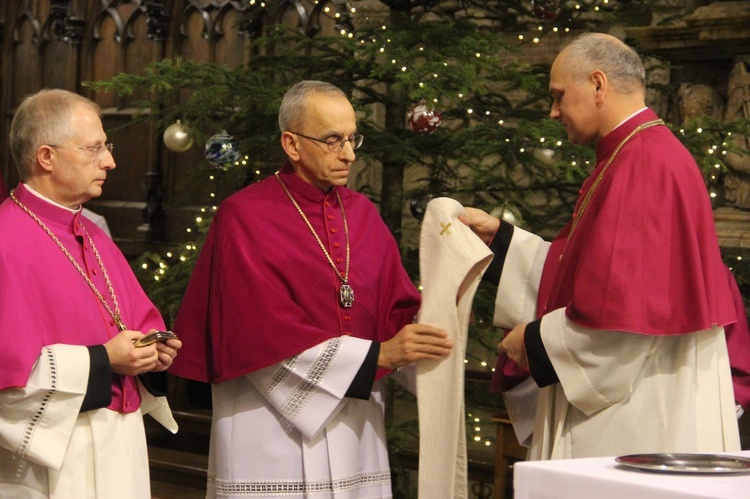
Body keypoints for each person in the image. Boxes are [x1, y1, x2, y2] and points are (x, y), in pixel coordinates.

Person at [460, 32, 750, 460]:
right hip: (646, 391)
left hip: (641, 408)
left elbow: (619, 321)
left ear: (598, 84)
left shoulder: (642, 165)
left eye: (559, 95)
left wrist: (535, 342)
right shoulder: (640, 152)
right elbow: (597, 274)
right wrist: (501, 242)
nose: (554, 111)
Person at [170, 80, 452, 498]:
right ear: (292, 144)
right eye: (333, 140)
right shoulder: (244, 216)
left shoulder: (363, 215)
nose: (350, 154)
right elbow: (257, 332)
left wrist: (444, 309)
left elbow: (398, 307)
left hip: (355, 427)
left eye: (353, 138)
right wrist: (379, 356)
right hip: (266, 429)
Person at [0, 88, 182, 498]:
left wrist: (153, 351)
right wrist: (104, 359)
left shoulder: (94, 234)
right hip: (50, 457)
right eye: (94, 148)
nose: (110, 161)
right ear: (46, 157)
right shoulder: (5, 240)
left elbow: (134, 321)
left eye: (107, 147)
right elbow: (9, 380)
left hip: (120, 439)